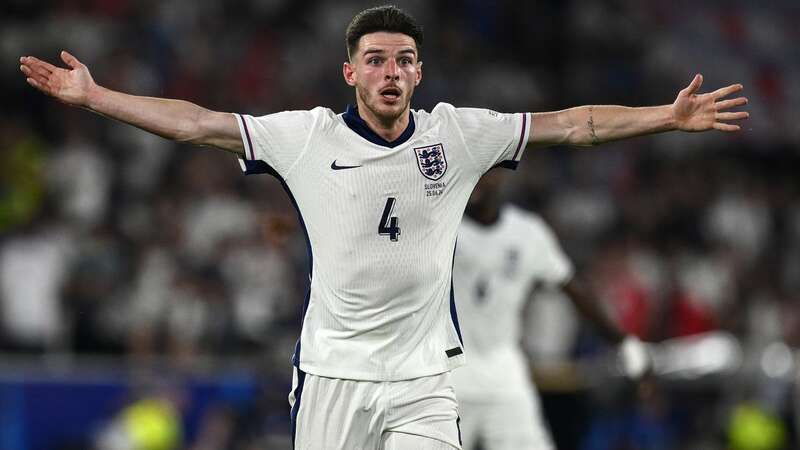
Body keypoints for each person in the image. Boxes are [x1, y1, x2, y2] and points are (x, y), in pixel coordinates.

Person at [19, 5, 748, 450]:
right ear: (349, 74)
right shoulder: (304, 138)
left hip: (425, 376)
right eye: (375, 60)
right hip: (334, 372)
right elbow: (198, 124)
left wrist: (667, 115)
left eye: (403, 60)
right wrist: (98, 97)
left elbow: (575, 125)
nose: (390, 71)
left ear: (420, 74)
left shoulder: (458, 136)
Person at [451, 170, 649, 450]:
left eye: (486, 173)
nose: (477, 182)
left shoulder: (527, 233)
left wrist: (624, 342)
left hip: (504, 378)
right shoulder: (442, 229)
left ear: (501, 175)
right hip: (448, 379)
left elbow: (574, 289)